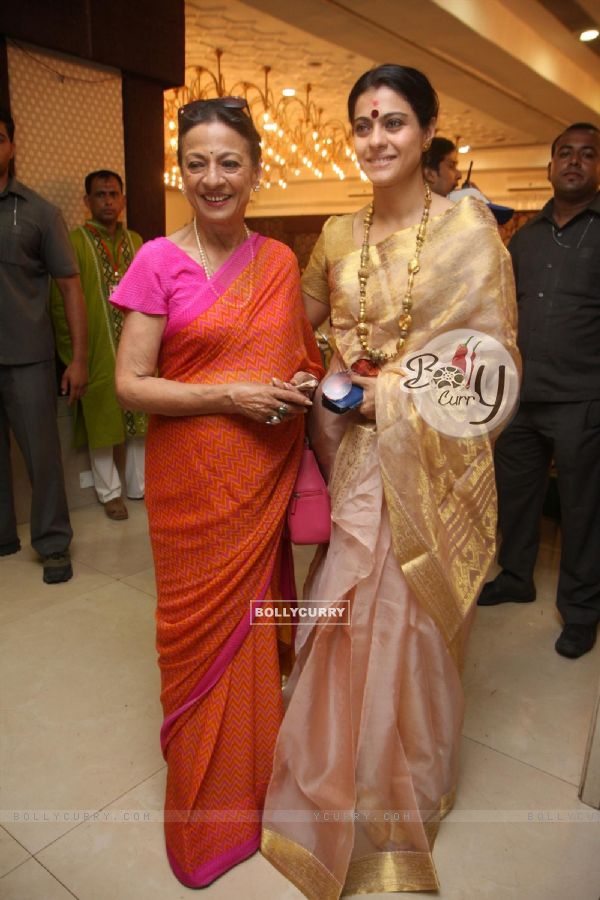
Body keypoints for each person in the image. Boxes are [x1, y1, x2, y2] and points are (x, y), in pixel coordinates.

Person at [261, 65, 518, 897]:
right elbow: (310, 332)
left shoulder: (469, 233)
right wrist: (324, 393)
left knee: (410, 625)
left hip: (433, 461)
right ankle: (341, 778)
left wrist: (387, 395)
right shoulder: (337, 234)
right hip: (356, 457)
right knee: (346, 612)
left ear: (427, 132)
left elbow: (494, 374)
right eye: (364, 123)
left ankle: (404, 778)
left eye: (395, 122)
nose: (377, 137)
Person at [111, 96, 323, 887]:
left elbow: (296, 360)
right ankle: (204, 804)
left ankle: (254, 788)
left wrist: (312, 385)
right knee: (198, 637)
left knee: (251, 635)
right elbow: (133, 385)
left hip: (259, 486)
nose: (213, 177)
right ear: (181, 173)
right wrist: (230, 395)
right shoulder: (156, 260)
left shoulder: (279, 265)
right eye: (196, 162)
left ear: (256, 172)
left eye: (229, 161)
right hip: (188, 488)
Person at [478, 122, 600, 660]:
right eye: (565, 154)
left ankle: (580, 611)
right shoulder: (524, 238)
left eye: (588, 155)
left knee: (583, 511)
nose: (574, 162)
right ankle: (516, 577)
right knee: (516, 498)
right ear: (550, 167)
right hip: (523, 396)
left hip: (585, 398)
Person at [0, 106, 87, 584]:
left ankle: (53, 544)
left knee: (42, 457)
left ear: (12, 146)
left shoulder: (38, 212)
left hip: (28, 357)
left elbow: (70, 286)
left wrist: (76, 358)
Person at [50, 170, 145, 521]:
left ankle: (139, 487)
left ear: (123, 200)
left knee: (140, 417)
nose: (108, 201)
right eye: (100, 195)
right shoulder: (74, 242)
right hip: (97, 350)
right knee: (101, 420)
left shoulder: (136, 241)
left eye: (113, 194)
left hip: (136, 347)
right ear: (87, 201)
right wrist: (73, 355)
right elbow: (60, 305)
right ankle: (110, 493)